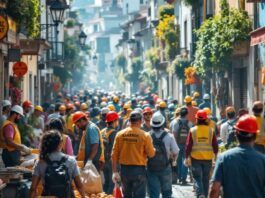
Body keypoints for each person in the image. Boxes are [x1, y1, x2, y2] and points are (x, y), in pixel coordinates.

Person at [209, 115, 265, 198]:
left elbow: (215, 189)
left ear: (235, 133)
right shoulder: (262, 160)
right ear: (255, 135)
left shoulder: (224, 158)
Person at [111, 111, 155, 198]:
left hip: (124, 170)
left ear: (129, 121)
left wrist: (115, 172)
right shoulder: (145, 135)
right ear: (140, 121)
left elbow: (114, 155)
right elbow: (151, 154)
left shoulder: (120, 134)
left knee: (127, 195)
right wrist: (153, 150)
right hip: (139, 170)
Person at [29, 130, 85, 198]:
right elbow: (79, 185)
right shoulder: (71, 161)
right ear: (60, 143)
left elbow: (33, 188)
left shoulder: (40, 162)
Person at [185, 110, 218, 198]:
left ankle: (200, 194)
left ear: (197, 119)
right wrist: (216, 155)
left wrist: (186, 156)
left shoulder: (192, 130)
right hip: (208, 158)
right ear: (206, 119)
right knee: (206, 178)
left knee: (197, 177)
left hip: (196, 158)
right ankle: (205, 195)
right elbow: (215, 145)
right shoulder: (211, 130)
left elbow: (188, 145)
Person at [147, 112, 179, 198]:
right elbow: (176, 151)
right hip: (165, 167)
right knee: (167, 192)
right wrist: (173, 160)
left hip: (151, 167)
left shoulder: (147, 136)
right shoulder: (169, 136)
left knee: (154, 193)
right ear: (162, 123)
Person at [171, 107, 192, 185]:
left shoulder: (174, 122)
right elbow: (191, 135)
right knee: (185, 160)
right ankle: (184, 178)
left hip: (177, 144)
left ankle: (179, 177)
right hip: (186, 144)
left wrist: (174, 146)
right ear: (186, 114)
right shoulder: (189, 123)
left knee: (178, 161)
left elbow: (173, 134)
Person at [101, 111, 119, 194]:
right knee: (112, 184)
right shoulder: (114, 133)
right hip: (111, 162)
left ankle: (104, 195)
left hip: (103, 160)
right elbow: (115, 149)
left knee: (107, 182)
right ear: (114, 121)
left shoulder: (102, 131)